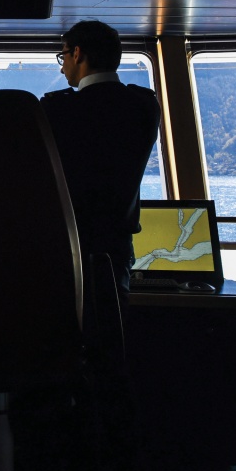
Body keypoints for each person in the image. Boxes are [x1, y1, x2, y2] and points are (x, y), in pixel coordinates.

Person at [41, 20, 160, 302]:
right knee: (108, 328)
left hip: (67, 243)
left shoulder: (56, 110)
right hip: (116, 246)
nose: (62, 66)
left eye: (63, 56)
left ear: (78, 54)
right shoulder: (145, 106)